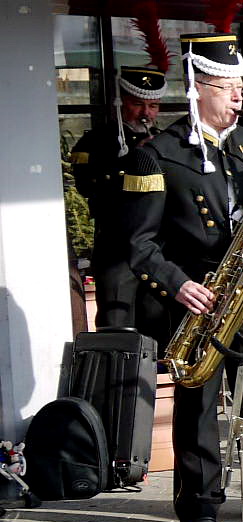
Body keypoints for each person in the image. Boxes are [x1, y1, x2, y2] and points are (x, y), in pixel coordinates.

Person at [125, 34, 243, 522]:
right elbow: (139, 245)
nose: (238, 96)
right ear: (197, 88)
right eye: (227, 87)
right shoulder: (156, 155)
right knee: (198, 402)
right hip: (200, 296)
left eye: (240, 87)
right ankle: (198, 500)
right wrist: (179, 286)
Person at [71, 64, 165, 330]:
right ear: (120, 102)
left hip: (155, 248)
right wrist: (133, 159)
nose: (146, 113)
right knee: (116, 323)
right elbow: (88, 187)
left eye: (154, 106)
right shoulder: (96, 141)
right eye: (138, 104)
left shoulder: (162, 142)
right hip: (116, 247)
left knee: (156, 324)